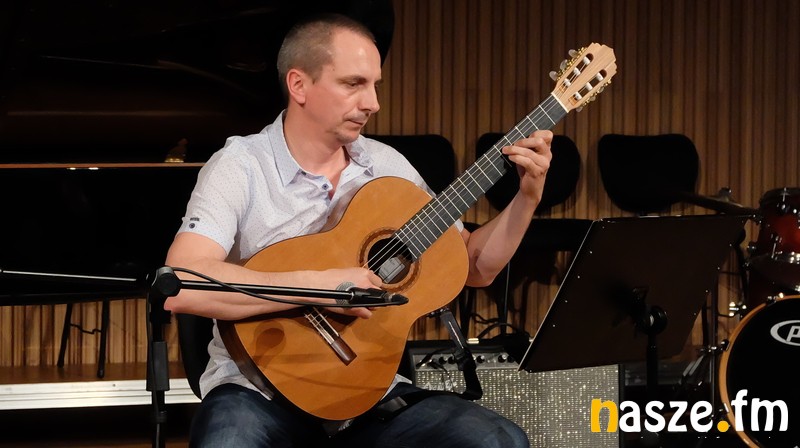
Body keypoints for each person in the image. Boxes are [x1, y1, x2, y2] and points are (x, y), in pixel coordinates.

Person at [164, 12, 552, 448]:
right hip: (257, 392)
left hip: (370, 392)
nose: (373, 103)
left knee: (498, 440)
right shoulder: (241, 166)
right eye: (354, 84)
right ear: (299, 85)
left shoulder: (387, 166)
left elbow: (475, 267)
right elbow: (183, 283)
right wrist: (319, 287)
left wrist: (526, 199)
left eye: (375, 85)